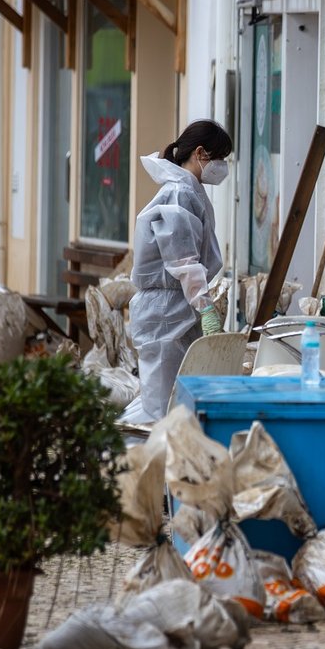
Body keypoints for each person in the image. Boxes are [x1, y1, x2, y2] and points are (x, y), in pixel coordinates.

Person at [120, 120, 232, 424]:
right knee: (159, 409)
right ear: (200, 153)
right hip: (164, 311)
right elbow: (184, 261)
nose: (223, 167)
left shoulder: (187, 191)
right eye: (220, 158)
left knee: (170, 404)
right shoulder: (180, 193)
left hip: (172, 310)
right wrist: (206, 308)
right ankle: (134, 463)